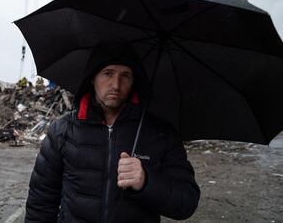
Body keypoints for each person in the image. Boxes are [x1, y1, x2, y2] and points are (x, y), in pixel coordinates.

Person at [25, 44, 200, 223]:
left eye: (126, 76)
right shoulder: (63, 130)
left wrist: (146, 181)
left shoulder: (160, 133)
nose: (116, 85)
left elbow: (186, 202)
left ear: (134, 81)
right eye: (108, 73)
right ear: (92, 78)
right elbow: (41, 202)